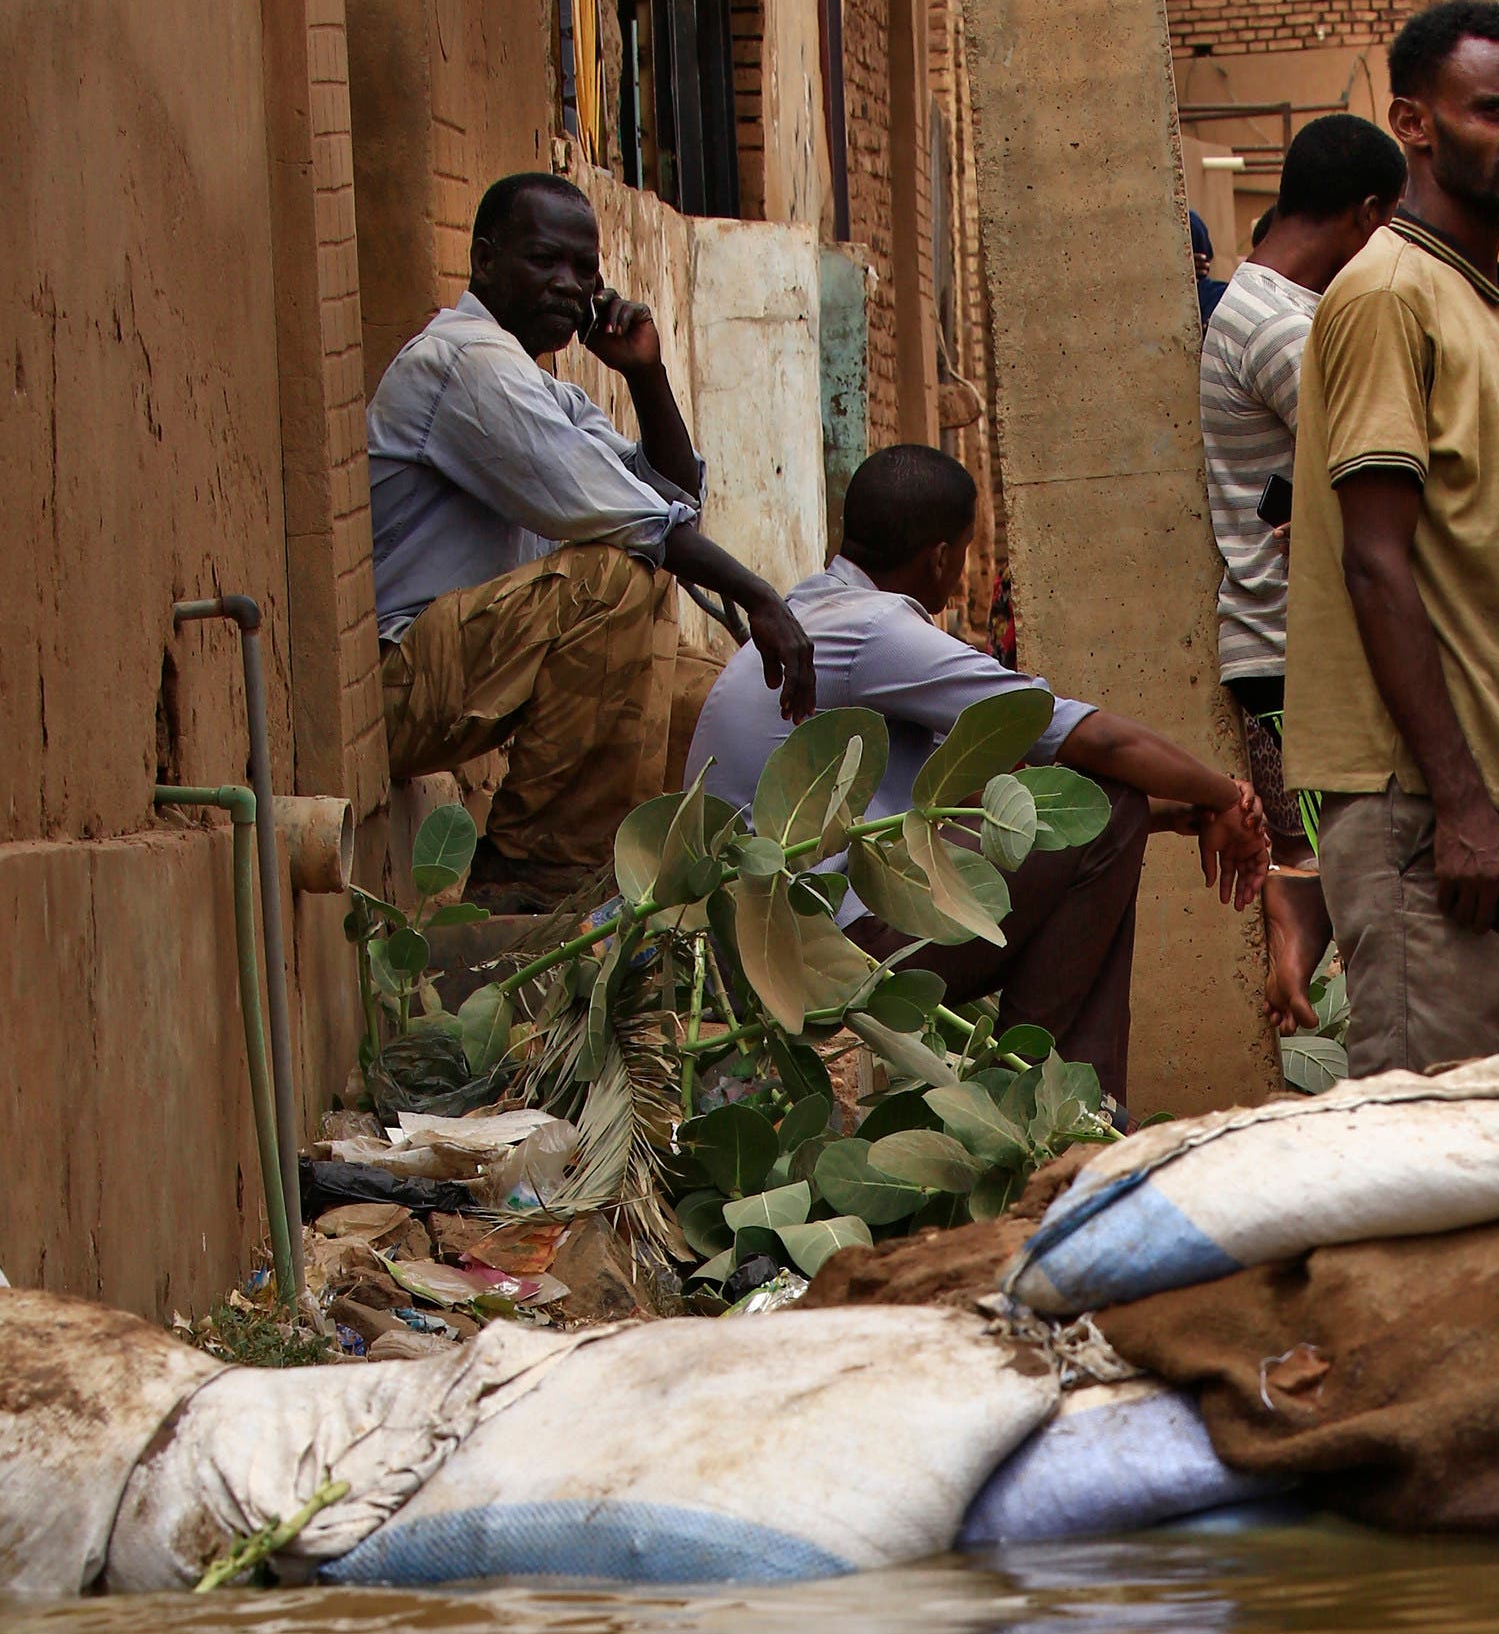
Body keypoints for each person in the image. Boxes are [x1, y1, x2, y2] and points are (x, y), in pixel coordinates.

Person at [690, 445, 1269, 1105]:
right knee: (1111, 805)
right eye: (964, 550)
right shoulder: (878, 631)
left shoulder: (813, 613)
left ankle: (1078, 1101)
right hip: (818, 958)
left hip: (752, 953)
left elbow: (966, 799)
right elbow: (1084, 735)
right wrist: (1228, 795)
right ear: (941, 557)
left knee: (1115, 814)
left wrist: (1170, 813)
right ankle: (1045, 1105)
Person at [1284, 0, 1499, 1082]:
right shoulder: (1386, 296)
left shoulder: (1496, 303)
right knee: (1434, 1153)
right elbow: (1374, 563)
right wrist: (1464, 807)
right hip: (1436, 812)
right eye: (1493, 110)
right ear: (1414, 124)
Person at [368, 171, 814, 906]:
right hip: (399, 686)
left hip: (471, 680)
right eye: (545, 261)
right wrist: (761, 597)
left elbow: (667, 502)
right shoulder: (465, 364)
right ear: (485, 260)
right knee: (616, 581)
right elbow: (642, 527)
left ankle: (654, 892)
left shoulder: (541, 387)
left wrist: (646, 375)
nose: (569, 286)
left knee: (705, 696)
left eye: (584, 270)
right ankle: (531, 872)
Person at [1198, 112, 1407, 1027]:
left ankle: (1297, 938)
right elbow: (1369, 479)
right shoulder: (1283, 333)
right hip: (1293, 652)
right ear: (1367, 218)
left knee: (1348, 863)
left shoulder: (1279, 312)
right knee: (1365, 878)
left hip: (1297, 649)